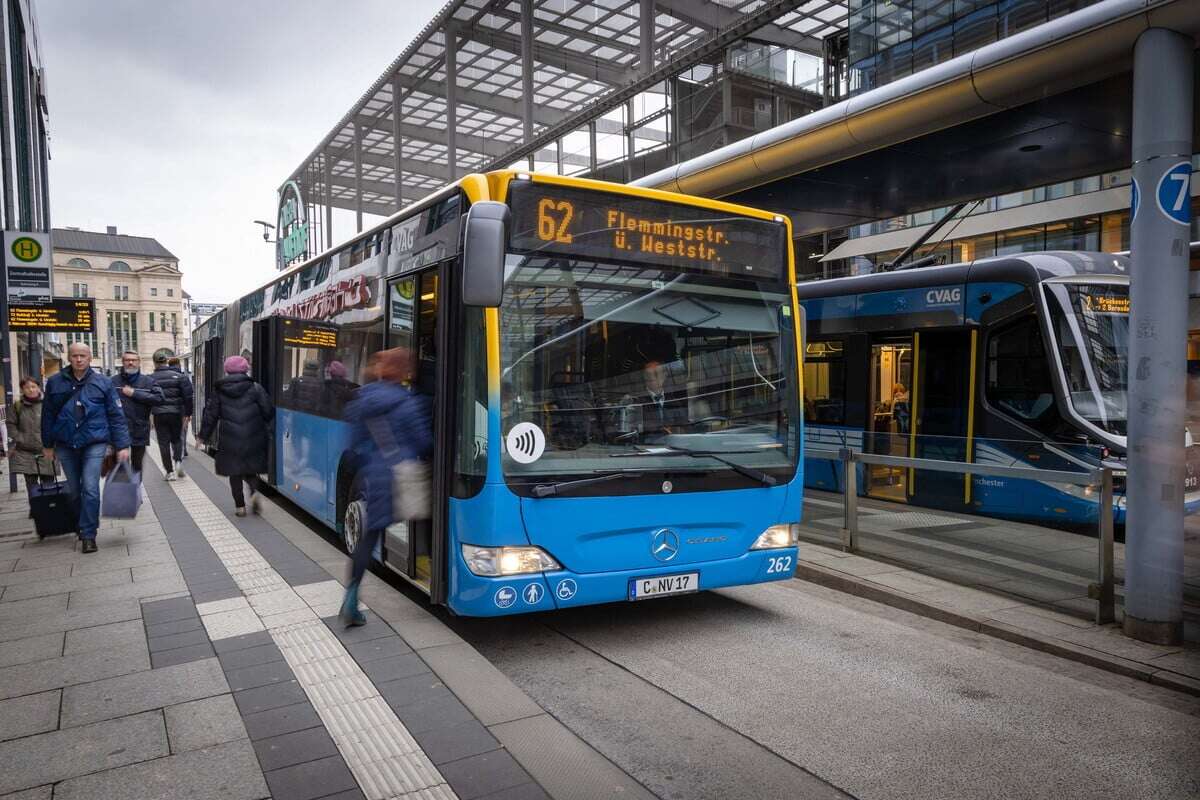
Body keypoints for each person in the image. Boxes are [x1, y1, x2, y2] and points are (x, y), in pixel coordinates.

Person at [339, 348, 432, 627]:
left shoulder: (361, 400)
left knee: (371, 535)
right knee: (426, 515)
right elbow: (424, 442)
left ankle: (352, 597)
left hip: (375, 475)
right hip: (401, 475)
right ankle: (433, 564)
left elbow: (353, 444)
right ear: (405, 372)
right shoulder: (408, 402)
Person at [41, 343, 131, 553]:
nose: (79, 359)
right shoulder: (55, 383)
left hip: (94, 442)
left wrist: (122, 445)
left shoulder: (103, 382)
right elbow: (47, 416)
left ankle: (89, 534)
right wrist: (47, 444)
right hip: (65, 443)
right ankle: (81, 522)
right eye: (74, 356)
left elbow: (116, 416)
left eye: (82, 355)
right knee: (74, 490)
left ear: (90, 358)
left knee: (90, 488)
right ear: (68, 358)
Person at [197, 355, 273, 516]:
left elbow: (211, 415)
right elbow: (268, 411)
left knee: (235, 473)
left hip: (230, 438)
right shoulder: (256, 388)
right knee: (251, 470)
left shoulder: (219, 390)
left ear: (227, 370)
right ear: (246, 369)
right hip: (253, 436)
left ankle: (240, 507)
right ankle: (253, 494)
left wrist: (202, 436)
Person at [6, 376, 57, 503]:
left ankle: (49, 506)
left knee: (48, 481)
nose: (31, 389)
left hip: (46, 450)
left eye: (33, 386)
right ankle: (35, 507)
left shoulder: (49, 404)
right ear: (22, 390)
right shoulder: (17, 406)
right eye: (27, 387)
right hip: (25, 452)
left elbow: (58, 422)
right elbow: (11, 424)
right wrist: (19, 437)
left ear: (39, 387)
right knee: (31, 484)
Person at [111, 351, 164, 473]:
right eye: (127, 360)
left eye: (134, 360)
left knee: (137, 466)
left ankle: (135, 489)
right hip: (118, 430)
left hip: (139, 428)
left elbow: (159, 399)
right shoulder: (113, 382)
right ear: (122, 362)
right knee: (120, 466)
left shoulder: (148, 381)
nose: (130, 363)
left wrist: (135, 393)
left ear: (139, 362)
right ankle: (125, 490)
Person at [148, 349, 193, 480]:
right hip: (176, 413)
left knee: (163, 443)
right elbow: (188, 396)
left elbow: (147, 398)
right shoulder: (180, 377)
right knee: (176, 439)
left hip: (159, 414)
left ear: (155, 363)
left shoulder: (150, 378)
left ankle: (170, 472)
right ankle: (178, 461)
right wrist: (188, 414)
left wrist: (149, 416)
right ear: (166, 361)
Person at [167, 356, 189, 459]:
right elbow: (189, 395)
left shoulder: (166, 377)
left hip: (169, 410)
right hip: (182, 409)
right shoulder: (183, 377)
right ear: (179, 365)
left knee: (172, 432)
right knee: (182, 431)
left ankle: (175, 451)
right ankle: (183, 450)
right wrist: (188, 413)